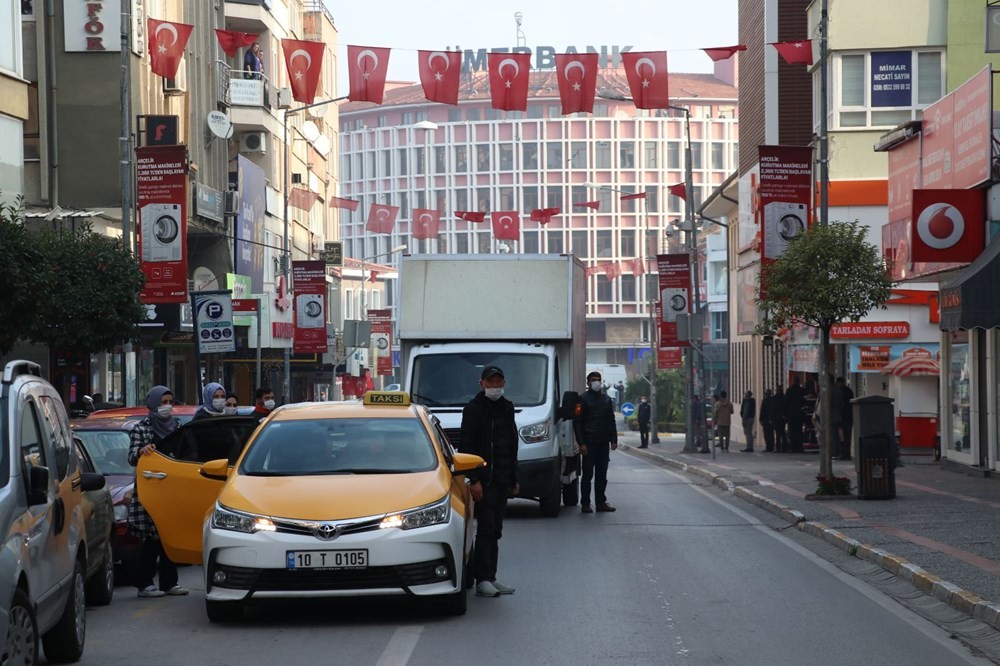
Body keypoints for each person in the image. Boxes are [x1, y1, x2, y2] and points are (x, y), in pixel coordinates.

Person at [459, 366, 519, 598]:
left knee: (496, 530)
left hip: (503, 478)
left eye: (498, 382)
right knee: (485, 530)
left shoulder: (507, 408)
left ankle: (491, 576)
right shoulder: (474, 410)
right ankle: (482, 579)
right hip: (484, 481)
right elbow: (467, 446)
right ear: (482, 384)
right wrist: (474, 480)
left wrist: (514, 477)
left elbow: (512, 444)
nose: (495, 386)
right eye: (490, 382)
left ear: (504, 382)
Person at [128, 386, 188, 598]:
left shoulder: (178, 426)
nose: (167, 406)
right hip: (150, 489)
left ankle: (169, 582)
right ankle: (144, 584)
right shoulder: (141, 428)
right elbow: (132, 457)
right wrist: (142, 451)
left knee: (168, 536)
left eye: (170, 401)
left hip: (171, 490)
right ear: (153, 404)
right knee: (151, 538)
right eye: (163, 402)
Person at [574, 370, 618, 513]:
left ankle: (601, 503)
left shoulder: (606, 399)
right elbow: (577, 423)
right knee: (587, 475)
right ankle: (585, 503)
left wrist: (613, 440)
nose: (596, 382)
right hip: (589, 443)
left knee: (602, 475)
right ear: (588, 382)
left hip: (603, 443)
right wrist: (581, 443)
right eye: (593, 380)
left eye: (598, 379)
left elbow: (611, 421)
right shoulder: (582, 399)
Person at [785, 376, 806, 453]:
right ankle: (800, 447)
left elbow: (786, 402)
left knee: (792, 431)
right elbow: (804, 401)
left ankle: (793, 447)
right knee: (799, 431)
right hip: (799, 413)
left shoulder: (789, 390)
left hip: (791, 413)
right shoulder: (802, 390)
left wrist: (785, 413)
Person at [836, 377, 855, 460]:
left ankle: (843, 453)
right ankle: (847, 453)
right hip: (849, 416)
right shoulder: (849, 391)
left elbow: (841, 405)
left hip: (842, 417)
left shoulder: (839, 392)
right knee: (847, 436)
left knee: (841, 436)